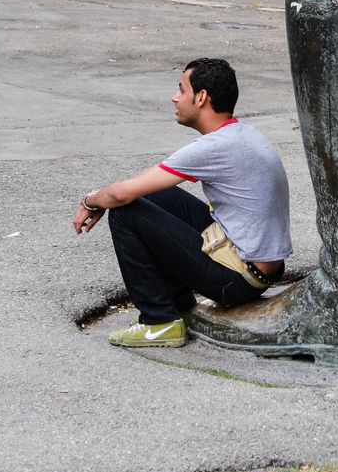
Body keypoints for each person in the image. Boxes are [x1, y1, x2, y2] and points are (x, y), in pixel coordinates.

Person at [73, 57, 291, 348]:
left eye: (181, 89)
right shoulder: (240, 134)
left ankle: (159, 321)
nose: (174, 97)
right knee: (151, 195)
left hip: (239, 279)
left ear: (201, 98)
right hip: (257, 264)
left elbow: (121, 194)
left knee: (124, 212)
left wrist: (91, 200)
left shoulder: (215, 147)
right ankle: (180, 307)